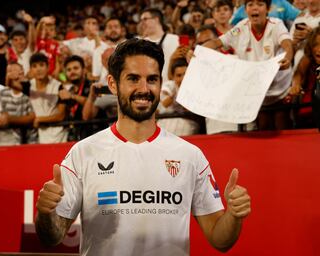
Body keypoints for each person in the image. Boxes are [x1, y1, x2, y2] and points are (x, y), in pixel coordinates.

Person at [35, 38, 251, 255]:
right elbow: (52, 236)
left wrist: (233, 215)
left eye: (152, 79)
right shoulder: (82, 153)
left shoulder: (190, 156)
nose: (144, 89)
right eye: (133, 78)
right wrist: (46, 212)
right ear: (112, 83)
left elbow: (220, 239)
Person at [204, 0, 294, 130]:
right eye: (250, 5)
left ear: (268, 9)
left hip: (280, 91)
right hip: (257, 94)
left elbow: (287, 43)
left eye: (260, 4)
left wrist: (288, 58)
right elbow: (217, 42)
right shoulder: (240, 28)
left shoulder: (276, 24)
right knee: (263, 129)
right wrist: (197, 52)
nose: (255, 8)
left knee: (282, 128)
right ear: (245, 10)